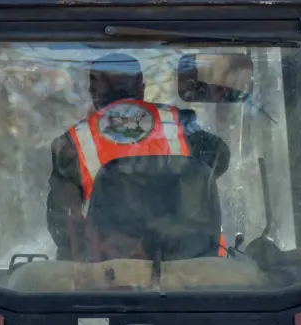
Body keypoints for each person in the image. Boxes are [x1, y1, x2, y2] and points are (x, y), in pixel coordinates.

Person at [45, 52, 230, 262]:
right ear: (140, 86)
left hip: (109, 278)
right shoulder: (179, 123)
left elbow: (63, 221)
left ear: (94, 91)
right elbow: (220, 159)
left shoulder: (73, 142)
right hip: (197, 274)